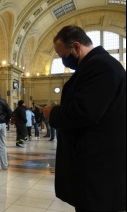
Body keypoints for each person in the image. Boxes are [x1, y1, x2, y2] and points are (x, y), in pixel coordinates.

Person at [49, 25, 126, 211]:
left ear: (76, 47)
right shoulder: (98, 65)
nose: (63, 61)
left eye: (63, 55)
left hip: (98, 166)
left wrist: (52, 112)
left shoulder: (100, 66)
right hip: (95, 163)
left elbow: (84, 112)